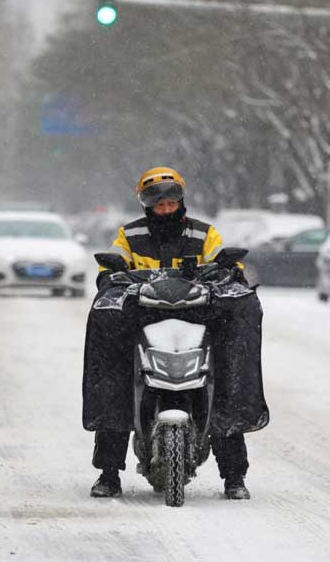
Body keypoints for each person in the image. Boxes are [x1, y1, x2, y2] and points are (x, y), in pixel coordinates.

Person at [82, 166, 269, 500]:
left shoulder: (204, 234)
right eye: (158, 203)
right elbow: (110, 269)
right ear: (146, 205)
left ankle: (234, 477)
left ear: (181, 200)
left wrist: (226, 273)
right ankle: (109, 473)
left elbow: (227, 267)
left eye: (171, 202)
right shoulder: (129, 235)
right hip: (143, 316)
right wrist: (113, 276)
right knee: (115, 380)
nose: (166, 209)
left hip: (199, 315)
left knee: (227, 379)